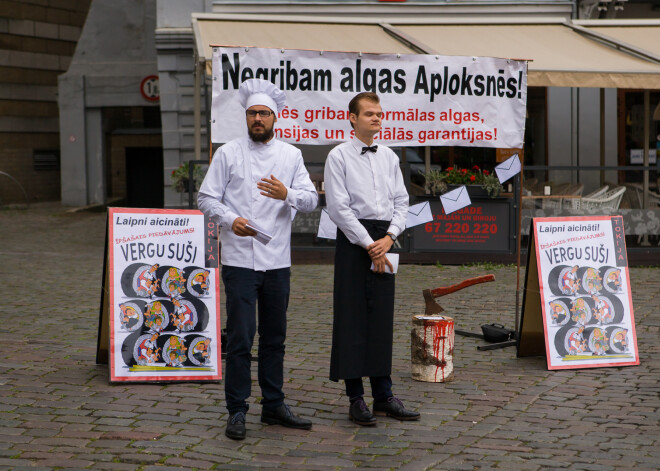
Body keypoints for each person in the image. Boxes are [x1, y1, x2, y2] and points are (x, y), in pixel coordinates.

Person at [198, 78, 318, 440]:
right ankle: (237, 410)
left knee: (274, 337)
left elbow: (312, 200)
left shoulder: (290, 155)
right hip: (238, 260)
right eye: (252, 113)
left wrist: (288, 194)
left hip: (277, 260)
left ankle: (273, 404)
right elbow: (206, 198)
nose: (258, 119)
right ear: (245, 117)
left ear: (275, 117)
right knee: (239, 338)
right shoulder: (228, 153)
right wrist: (230, 219)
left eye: (264, 113)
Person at [324, 92, 420, 426]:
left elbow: (402, 201)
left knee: (380, 318)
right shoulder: (338, 156)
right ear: (352, 118)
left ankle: (383, 395)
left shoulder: (390, 157)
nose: (376, 118)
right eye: (369, 114)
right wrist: (368, 244)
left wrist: (390, 237)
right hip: (355, 241)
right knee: (351, 317)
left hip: (384, 238)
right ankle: (356, 398)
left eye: (379, 113)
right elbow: (338, 207)